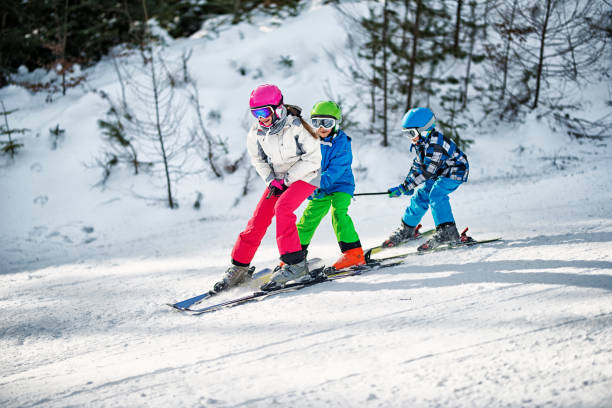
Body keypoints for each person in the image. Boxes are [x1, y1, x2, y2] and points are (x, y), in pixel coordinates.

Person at [214, 84, 323, 291]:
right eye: (255, 113)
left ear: (277, 108)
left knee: (283, 208)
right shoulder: (256, 132)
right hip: (279, 179)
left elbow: (313, 159)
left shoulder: (298, 127)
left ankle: (296, 264)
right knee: (259, 217)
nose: (260, 117)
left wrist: (288, 179)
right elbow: (258, 160)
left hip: (306, 176)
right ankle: (239, 267)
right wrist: (271, 179)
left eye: (264, 112)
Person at [383, 107, 469, 251]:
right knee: (421, 196)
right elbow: (418, 166)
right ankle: (408, 229)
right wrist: (406, 184)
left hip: (454, 170)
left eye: (411, 133)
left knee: (436, 194)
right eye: (406, 134)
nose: (410, 138)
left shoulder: (436, 144)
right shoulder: (421, 142)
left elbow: (426, 172)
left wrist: (406, 187)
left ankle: (447, 231)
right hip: (438, 171)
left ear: (424, 130)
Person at [295, 101, 365, 271]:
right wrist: (306, 185)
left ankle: (353, 253)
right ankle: (294, 258)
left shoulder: (342, 143)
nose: (321, 128)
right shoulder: (309, 142)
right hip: (320, 188)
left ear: (336, 124)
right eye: (316, 123)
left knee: (338, 213)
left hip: (341, 185)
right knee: (308, 218)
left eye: (327, 123)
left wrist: (314, 185)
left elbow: (336, 170)